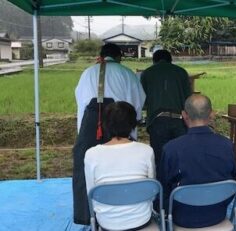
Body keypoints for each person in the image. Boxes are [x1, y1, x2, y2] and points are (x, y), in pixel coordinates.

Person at [73, 43, 145, 225]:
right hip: (118, 124)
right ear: (119, 56)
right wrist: (132, 128)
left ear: (101, 56)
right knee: (121, 164)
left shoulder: (87, 73)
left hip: (89, 124)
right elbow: (138, 101)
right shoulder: (126, 73)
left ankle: (85, 214)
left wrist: (82, 131)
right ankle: (122, 210)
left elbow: (80, 101)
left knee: (83, 165)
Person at [161, 94, 236, 228]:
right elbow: (233, 177)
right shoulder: (227, 145)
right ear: (212, 114)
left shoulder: (171, 148)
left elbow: (163, 186)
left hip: (183, 217)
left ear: (184, 115)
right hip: (217, 214)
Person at [84, 101, 155, 231]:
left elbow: (91, 194)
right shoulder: (146, 151)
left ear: (105, 124)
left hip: (107, 222)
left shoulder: (91, 154)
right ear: (133, 123)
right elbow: (152, 191)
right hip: (141, 219)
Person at [141, 49, 191, 178]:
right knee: (181, 158)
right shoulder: (181, 72)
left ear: (154, 61)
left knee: (160, 159)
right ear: (171, 60)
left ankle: (163, 193)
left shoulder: (147, 73)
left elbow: (143, 100)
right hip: (179, 120)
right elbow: (189, 98)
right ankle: (179, 190)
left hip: (157, 121)